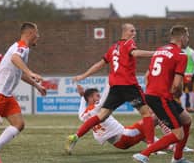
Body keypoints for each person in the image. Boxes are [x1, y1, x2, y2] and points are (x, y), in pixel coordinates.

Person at [66, 23, 155, 152]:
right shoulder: (128, 43)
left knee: (101, 115)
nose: (134, 33)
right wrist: (156, 53)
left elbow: (99, 65)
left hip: (115, 87)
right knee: (147, 114)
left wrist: (83, 75)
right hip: (129, 86)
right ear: (124, 32)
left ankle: (75, 136)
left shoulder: (113, 48)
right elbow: (135, 53)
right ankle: (151, 146)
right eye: (132, 31)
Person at [133, 25, 194, 163]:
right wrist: (177, 93)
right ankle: (144, 154)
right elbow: (176, 85)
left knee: (186, 119)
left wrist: (151, 93)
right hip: (161, 96)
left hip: (153, 94)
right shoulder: (181, 55)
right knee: (178, 134)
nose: (188, 39)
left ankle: (178, 158)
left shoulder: (159, 51)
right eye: (187, 36)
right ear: (182, 37)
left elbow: (147, 76)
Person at [0, 22, 46, 163]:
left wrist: (36, 85)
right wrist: (31, 72)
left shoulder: (22, 49)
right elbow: (15, 58)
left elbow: (19, 72)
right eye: (37, 34)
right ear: (30, 33)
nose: (38, 37)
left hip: (6, 95)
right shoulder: (21, 47)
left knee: (19, 124)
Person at [66, 84, 167, 155]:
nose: (99, 97)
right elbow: (104, 98)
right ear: (91, 98)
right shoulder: (97, 107)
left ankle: (169, 146)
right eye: (97, 95)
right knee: (155, 117)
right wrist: (110, 83)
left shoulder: (83, 115)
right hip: (125, 136)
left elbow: (81, 108)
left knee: (143, 133)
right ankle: (167, 140)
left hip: (119, 143)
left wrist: (82, 97)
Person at [180, 46, 194, 111]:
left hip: (189, 73)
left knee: (190, 89)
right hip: (181, 73)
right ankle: (183, 107)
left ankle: (192, 107)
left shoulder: (192, 52)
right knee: (181, 90)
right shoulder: (179, 51)